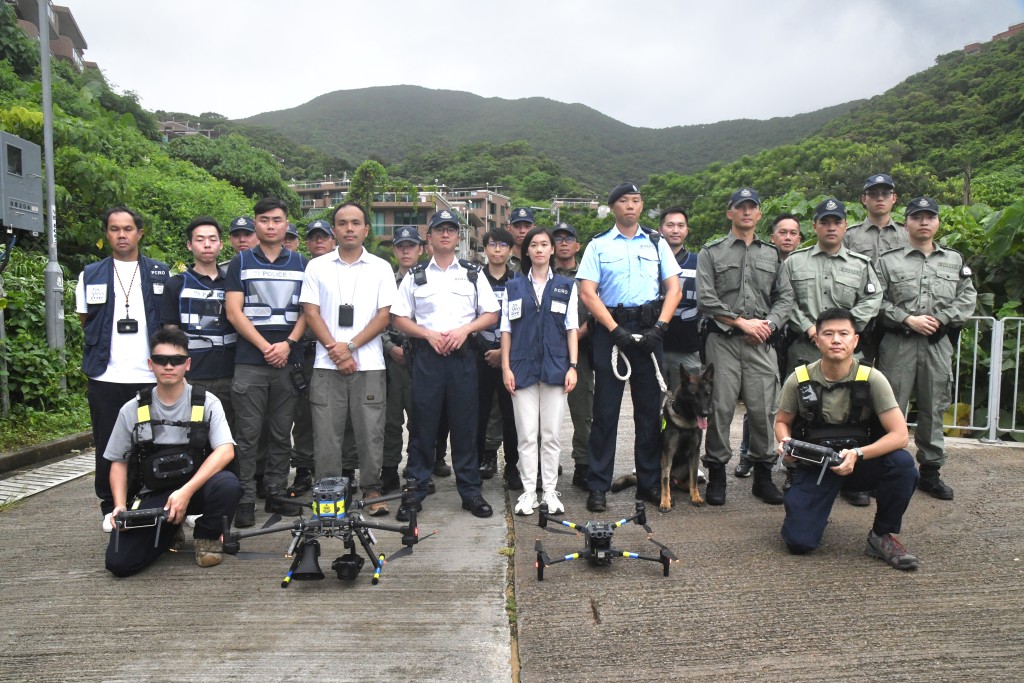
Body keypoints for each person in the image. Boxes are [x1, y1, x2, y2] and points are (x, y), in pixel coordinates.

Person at [775, 308, 919, 570]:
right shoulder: (799, 379)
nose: (836, 340)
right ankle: (812, 508)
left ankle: (881, 536)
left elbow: (900, 436)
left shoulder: (872, 378)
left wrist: (859, 454)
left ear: (855, 341)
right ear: (816, 340)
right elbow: (782, 421)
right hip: (816, 465)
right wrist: (785, 443)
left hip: (861, 462)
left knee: (902, 465)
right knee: (799, 542)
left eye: (843, 334)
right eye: (828, 334)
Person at [576, 182, 682, 512]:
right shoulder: (598, 245)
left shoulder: (656, 241)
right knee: (605, 412)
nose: (631, 206)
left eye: (636, 200)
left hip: (650, 330)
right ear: (613, 207)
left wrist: (661, 327)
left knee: (649, 413)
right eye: (624, 201)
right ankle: (598, 485)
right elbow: (588, 293)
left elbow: (673, 289)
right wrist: (614, 329)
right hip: (611, 331)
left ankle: (649, 483)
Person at [104, 328, 241, 576]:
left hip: (195, 489)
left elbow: (225, 451)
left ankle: (206, 536)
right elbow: (118, 462)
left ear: (187, 364)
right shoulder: (131, 409)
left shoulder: (208, 402)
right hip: (154, 495)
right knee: (119, 563)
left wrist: (185, 492)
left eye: (176, 360)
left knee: (228, 484)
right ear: (150, 364)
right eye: (161, 360)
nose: (169, 366)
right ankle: (168, 531)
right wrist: (119, 507)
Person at [391, 210, 500, 521]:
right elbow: (398, 317)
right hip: (427, 357)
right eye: (440, 229)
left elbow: (491, 313)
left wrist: (465, 330)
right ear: (430, 237)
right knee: (423, 425)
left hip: (463, 357)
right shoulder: (415, 275)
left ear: (458, 236)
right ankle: (415, 489)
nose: (445, 234)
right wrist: (426, 333)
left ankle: (470, 491)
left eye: (451, 229)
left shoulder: (472, 273)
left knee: (465, 426)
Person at [779, 199, 883, 506]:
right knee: (799, 411)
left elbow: (872, 301)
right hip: (804, 347)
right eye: (825, 222)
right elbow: (786, 301)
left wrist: (845, 330)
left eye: (836, 221)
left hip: (847, 354)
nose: (831, 227)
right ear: (815, 226)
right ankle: (796, 470)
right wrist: (809, 327)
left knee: (852, 410)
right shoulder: (794, 263)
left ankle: (852, 477)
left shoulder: (860, 264)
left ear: (845, 225)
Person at [875, 197, 977, 500]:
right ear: (905, 222)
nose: (923, 222)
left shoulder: (954, 260)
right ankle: (884, 469)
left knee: (934, 406)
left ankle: (930, 472)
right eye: (917, 216)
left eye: (929, 217)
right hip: (898, 344)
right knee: (890, 406)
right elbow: (875, 300)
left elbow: (967, 298)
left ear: (937, 222)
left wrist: (942, 319)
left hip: (937, 344)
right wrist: (907, 318)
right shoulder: (887, 261)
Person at [697, 188, 794, 506]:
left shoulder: (771, 254)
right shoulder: (711, 252)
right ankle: (717, 477)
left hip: (761, 343)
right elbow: (705, 297)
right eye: (741, 207)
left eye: (752, 207)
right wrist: (741, 323)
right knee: (720, 408)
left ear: (759, 214)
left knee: (763, 410)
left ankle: (763, 477)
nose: (747, 212)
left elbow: (785, 298)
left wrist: (768, 325)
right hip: (723, 341)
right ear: (730, 213)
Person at [76, 206, 169, 532]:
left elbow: (168, 323)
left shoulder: (160, 272)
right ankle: (111, 506)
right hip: (105, 376)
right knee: (108, 444)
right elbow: (86, 320)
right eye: (114, 229)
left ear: (139, 233)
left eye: (128, 228)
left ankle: (150, 501)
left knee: (153, 443)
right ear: (107, 234)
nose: (122, 234)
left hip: (148, 377)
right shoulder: (90, 274)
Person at [301, 202, 395, 514]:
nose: (349, 228)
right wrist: (336, 351)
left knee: (370, 431)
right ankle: (329, 495)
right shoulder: (317, 267)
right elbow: (310, 313)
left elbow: (384, 317)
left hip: (368, 364)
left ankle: (371, 489)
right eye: (342, 223)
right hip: (326, 365)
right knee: (327, 433)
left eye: (356, 223)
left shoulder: (380, 267)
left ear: (367, 229)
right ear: (334, 230)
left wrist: (350, 346)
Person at [225, 197, 307, 528]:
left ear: (286, 224)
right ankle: (245, 498)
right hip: (250, 361)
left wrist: (287, 345)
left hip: (288, 362)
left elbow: (308, 311)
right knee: (247, 434)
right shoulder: (240, 262)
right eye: (263, 220)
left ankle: (275, 491)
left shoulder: (302, 263)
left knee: (279, 432)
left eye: (276, 220)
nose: (270, 225)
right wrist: (265, 347)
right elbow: (234, 312)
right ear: (255, 224)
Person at [502, 226, 579, 515]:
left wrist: (573, 366)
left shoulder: (565, 286)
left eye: (544, 244)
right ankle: (527, 492)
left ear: (551, 250)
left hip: (556, 367)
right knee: (526, 434)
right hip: (521, 368)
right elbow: (506, 330)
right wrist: (506, 368)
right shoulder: (514, 287)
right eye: (533, 244)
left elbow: (572, 327)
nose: (539, 249)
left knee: (550, 434)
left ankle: (549, 490)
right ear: (527, 251)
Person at [736, 212, 803, 478]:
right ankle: (747, 455)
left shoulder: (803, 263)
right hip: (763, 339)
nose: (787, 237)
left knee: (794, 402)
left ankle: (793, 458)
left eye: (793, 233)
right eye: (782, 232)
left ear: (799, 238)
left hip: (795, 340)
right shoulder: (759, 257)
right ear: (772, 236)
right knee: (758, 401)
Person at [160, 217, 237, 428]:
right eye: (200, 239)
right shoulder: (176, 284)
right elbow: (171, 333)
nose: (207, 244)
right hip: (192, 378)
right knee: (195, 434)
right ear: (189, 245)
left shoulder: (233, 283)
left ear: (221, 244)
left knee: (228, 437)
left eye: (212, 239)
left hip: (230, 376)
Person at [286, 219, 338, 497]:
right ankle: (304, 468)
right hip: (305, 352)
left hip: (338, 351)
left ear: (333, 240)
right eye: (313, 238)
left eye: (324, 237)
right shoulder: (298, 270)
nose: (319, 242)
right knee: (304, 415)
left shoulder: (343, 270)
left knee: (342, 417)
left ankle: (343, 471)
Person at [473, 228, 521, 488]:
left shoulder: (518, 282)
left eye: (504, 245)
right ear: (485, 248)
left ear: (511, 250)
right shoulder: (474, 280)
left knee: (510, 415)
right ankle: (480, 461)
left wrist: (503, 352)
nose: (498, 250)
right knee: (478, 414)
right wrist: (485, 349)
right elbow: (466, 319)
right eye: (493, 245)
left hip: (509, 358)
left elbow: (522, 322)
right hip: (479, 355)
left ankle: (512, 466)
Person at [381, 226, 424, 492]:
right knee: (390, 418)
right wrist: (388, 347)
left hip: (421, 356)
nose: (406, 250)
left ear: (421, 249)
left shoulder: (429, 279)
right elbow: (375, 318)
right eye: (401, 246)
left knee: (421, 418)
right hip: (392, 356)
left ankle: (418, 469)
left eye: (411, 246)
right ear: (395, 250)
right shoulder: (385, 281)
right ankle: (389, 469)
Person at [553, 221, 594, 490]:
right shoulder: (544, 274)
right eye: (558, 239)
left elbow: (596, 311)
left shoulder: (587, 276)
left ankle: (583, 464)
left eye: (569, 238)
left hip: (581, 353)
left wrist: (575, 336)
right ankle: (547, 464)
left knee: (583, 413)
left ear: (578, 245)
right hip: (550, 354)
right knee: (547, 414)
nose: (564, 243)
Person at [658, 207, 701, 386]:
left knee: (688, 404)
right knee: (650, 406)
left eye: (680, 225)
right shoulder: (649, 260)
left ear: (687, 230)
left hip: (688, 348)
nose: (675, 230)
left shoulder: (699, 262)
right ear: (660, 230)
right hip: (655, 346)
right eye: (670, 225)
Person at [843, 173, 907, 263]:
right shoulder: (848, 236)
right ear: (864, 199)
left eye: (886, 193)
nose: (880, 198)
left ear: (894, 198)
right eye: (873, 194)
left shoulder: (907, 234)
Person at [506, 207, 534, 273]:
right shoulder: (501, 259)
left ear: (534, 229)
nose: (522, 231)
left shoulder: (542, 259)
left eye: (527, 226)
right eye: (517, 226)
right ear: (509, 229)